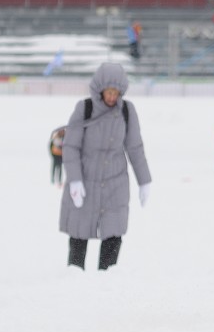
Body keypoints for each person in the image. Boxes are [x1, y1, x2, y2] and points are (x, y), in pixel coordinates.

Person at [59, 62, 152, 271]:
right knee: (79, 231)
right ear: (99, 89)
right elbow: (71, 146)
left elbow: (135, 147)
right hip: (85, 181)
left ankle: (107, 278)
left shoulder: (127, 111)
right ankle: (74, 278)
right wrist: (74, 179)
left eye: (116, 93)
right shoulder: (85, 108)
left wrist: (144, 181)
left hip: (115, 183)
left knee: (113, 231)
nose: (112, 97)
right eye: (108, 92)